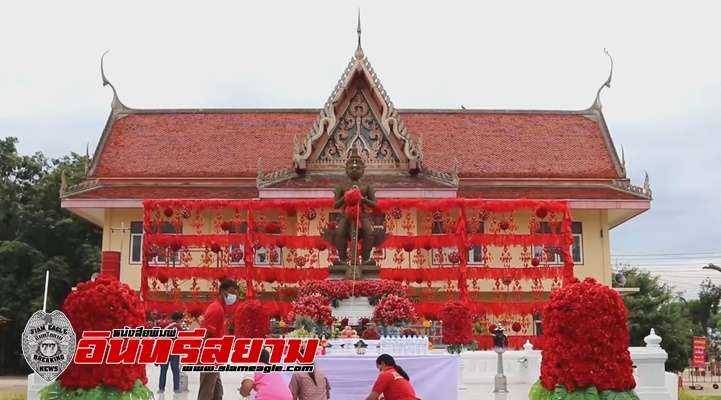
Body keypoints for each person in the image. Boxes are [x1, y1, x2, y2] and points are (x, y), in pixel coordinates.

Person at [197, 279, 239, 400]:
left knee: (217, 392)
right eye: (232, 292)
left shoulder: (220, 308)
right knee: (206, 393)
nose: (234, 296)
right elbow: (206, 332)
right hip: (209, 356)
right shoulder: (216, 310)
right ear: (223, 292)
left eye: (236, 294)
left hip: (215, 356)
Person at [158, 311, 184, 394]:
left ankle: (161, 388)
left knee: (163, 370)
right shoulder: (178, 328)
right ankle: (176, 389)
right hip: (174, 351)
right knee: (175, 370)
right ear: (179, 319)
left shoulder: (163, 325)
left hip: (164, 350)